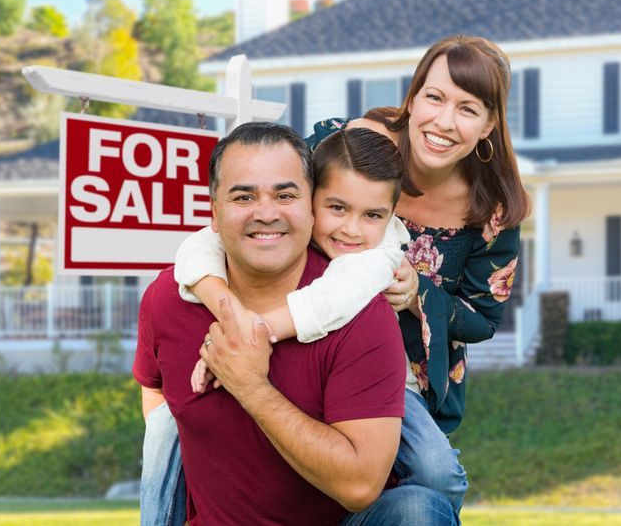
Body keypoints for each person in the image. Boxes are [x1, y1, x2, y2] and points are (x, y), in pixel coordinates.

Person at [134, 122, 455, 525]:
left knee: (423, 502)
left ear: (307, 204)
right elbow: (156, 392)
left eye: (285, 195)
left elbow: (359, 487)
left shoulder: (361, 303)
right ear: (214, 212)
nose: (266, 213)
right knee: (164, 428)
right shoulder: (170, 296)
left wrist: (250, 382)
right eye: (243, 196)